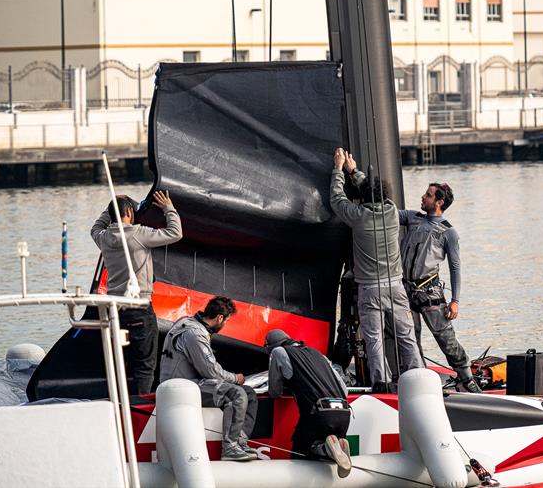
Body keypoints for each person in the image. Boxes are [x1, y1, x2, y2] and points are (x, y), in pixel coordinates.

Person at [330, 147, 423, 392]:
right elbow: (374, 192)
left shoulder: (358, 216)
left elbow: (337, 200)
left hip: (369, 288)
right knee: (406, 335)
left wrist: (339, 170)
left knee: (374, 338)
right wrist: (355, 171)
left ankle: (381, 383)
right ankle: (418, 377)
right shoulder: (392, 211)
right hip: (395, 285)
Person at [91, 190, 182, 395]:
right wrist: (168, 207)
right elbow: (175, 233)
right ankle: (140, 405)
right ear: (130, 213)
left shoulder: (104, 238)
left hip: (115, 310)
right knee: (145, 364)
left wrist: (111, 209)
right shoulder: (139, 234)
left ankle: (120, 400)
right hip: (139, 307)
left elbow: (95, 227)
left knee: (119, 362)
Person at [394, 181, 482, 393]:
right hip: (405, 291)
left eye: (428, 195)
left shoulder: (448, 232)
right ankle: (417, 377)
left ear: (440, 202)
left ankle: (466, 377)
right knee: (409, 337)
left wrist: (455, 301)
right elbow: (387, 212)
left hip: (429, 292)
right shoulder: (412, 218)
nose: (423, 197)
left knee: (445, 338)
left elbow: (455, 268)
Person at [159, 296, 259, 462]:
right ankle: (230, 448)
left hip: (186, 383)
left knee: (249, 394)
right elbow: (211, 372)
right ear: (220, 318)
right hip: (181, 388)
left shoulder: (189, 323)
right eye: (226, 320)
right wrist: (236, 378)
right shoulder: (194, 333)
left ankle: (240, 442)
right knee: (237, 393)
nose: (225, 325)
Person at [265, 329, 352, 478]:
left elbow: (275, 391)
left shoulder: (279, 352)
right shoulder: (319, 354)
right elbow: (344, 390)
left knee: (300, 453)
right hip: (344, 414)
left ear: (270, 346)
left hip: (317, 414)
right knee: (320, 458)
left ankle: (326, 447)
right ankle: (334, 445)